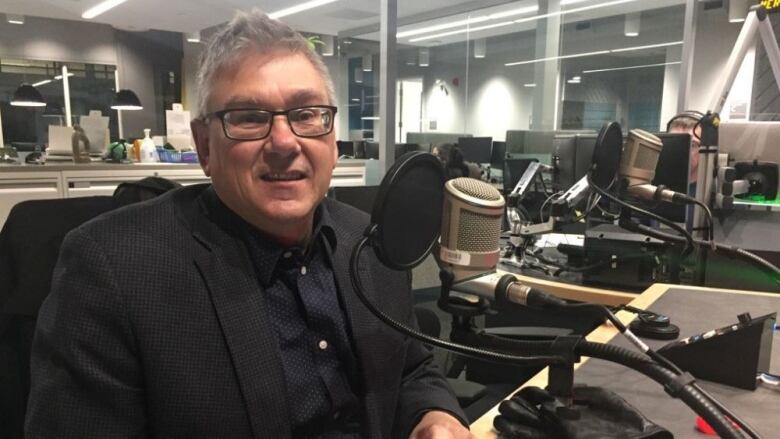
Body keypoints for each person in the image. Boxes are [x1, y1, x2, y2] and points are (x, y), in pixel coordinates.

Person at [25, 10, 471, 439]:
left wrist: (435, 415)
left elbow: (411, 366)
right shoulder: (114, 272)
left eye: (306, 114)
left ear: (332, 140)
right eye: (249, 118)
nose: (283, 141)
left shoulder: (370, 241)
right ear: (204, 147)